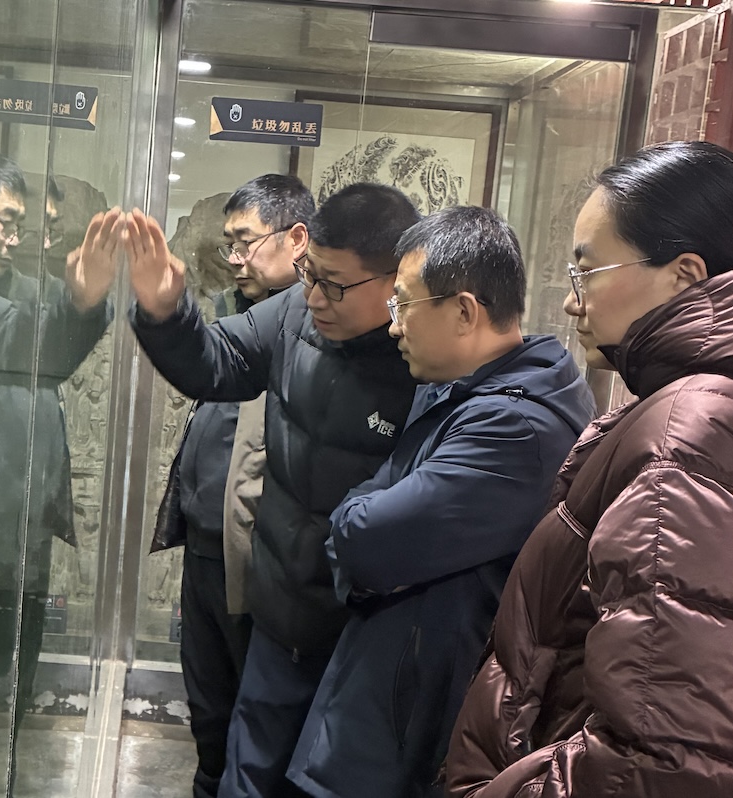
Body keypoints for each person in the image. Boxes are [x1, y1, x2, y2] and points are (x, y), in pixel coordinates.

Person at [444, 140, 733, 797]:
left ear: (684, 276)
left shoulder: (685, 431)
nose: (573, 303)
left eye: (587, 272)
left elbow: (657, 758)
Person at [116, 184, 423, 798]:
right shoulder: (292, 315)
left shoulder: (428, 358)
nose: (314, 297)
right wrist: (165, 310)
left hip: (366, 640)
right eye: (311, 274)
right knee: (245, 776)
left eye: (336, 285)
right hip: (280, 620)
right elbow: (218, 361)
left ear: (398, 281)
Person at [285, 207, 595, 798]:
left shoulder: (513, 425)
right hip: (396, 691)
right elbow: (377, 513)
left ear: (464, 311)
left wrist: (357, 521)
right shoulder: (466, 389)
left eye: (403, 304)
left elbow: (365, 541)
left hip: (418, 725)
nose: (393, 326)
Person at [0, 150, 113, 798]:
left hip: (20, 540)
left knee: (1, 696)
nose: (19, 240)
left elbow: (55, 346)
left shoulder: (27, 292)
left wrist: (84, 299)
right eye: (8, 223)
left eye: (35, 228)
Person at [150, 174, 314, 798]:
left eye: (247, 242)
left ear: (297, 239)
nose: (236, 258)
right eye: (231, 244)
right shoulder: (235, 317)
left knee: (257, 730)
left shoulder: (313, 331)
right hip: (206, 548)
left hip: (262, 564)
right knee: (210, 715)